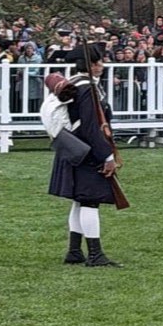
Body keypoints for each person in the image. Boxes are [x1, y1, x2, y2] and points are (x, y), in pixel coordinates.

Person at [47, 44, 125, 267]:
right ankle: (95, 254)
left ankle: (74, 251)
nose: (101, 65)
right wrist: (107, 156)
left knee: (80, 201)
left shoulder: (75, 85)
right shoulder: (87, 88)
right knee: (90, 202)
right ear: (90, 65)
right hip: (87, 150)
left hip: (75, 147)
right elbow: (93, 127)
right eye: (97, 61)